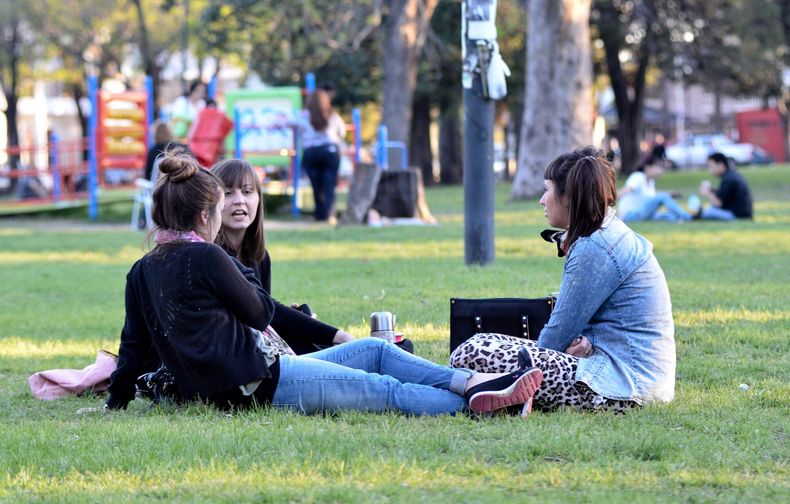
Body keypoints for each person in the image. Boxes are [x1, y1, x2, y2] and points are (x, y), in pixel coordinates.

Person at [102, 151, 542, 417]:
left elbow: (133, 346)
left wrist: (114, 404)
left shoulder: (142, 269)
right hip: (255, 386)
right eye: (221, 205)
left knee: (375, 350)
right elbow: (260, 313)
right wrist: (238, 268)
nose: (229, 211)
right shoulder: (208, 254)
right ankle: (486, 404)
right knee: (384, 391)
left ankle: (472, 383)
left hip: (247, 381)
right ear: (204, 216)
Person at [450, 147, 676, 413]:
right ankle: (494, 392)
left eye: (547, 190)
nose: (542, 200)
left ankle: (494, 391)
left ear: (568, 197)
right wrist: (584, 344)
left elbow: (555, 337)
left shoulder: (596, 247)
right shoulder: (605, 234)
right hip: (625, 373)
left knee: (471, 354)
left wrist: (560, 350)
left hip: (625, 387)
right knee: (479, 342)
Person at [213, 158, 354, 355]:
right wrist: (338, 335)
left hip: (262, 345)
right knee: (334, 351)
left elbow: (265, 318)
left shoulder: (259, 257)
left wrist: (300, 320)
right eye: (228, 193)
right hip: (238, 355)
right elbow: (269, 315)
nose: (239, 200)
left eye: (247, 192)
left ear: (259, 199)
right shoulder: (213, 257)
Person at [292, 89, 346, 222]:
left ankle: (319, 215)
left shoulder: (303, 116)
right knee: (329, 184)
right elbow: (342, 132)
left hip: (311, 152)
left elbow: (287, 123)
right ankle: (330, 214)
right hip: (330, 151)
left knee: (316, 185)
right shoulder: (333, 115)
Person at [617, 155, 691, 222]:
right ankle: (689, 217)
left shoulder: (651, 181)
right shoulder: (638, 177)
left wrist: (671, 194)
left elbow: (654, 195)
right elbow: (626, 190)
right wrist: (609, 198)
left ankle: (682, 218)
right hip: (630, 215)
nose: (660, 170)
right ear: (648, 167)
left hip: (643, 214)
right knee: (663, 196)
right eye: (657, 167)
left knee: (668, 216)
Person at [692, 152, 753, 220]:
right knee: (710, 209)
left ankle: (694, 217)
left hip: (737, 216)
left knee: (709, 212)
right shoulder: (731, 175)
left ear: (721, 165)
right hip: (744, 214)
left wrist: (707, 193)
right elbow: (724, 194)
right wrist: (711, 190)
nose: (709, 170)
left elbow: (718, 203)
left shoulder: (728, 179)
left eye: (711, 166)